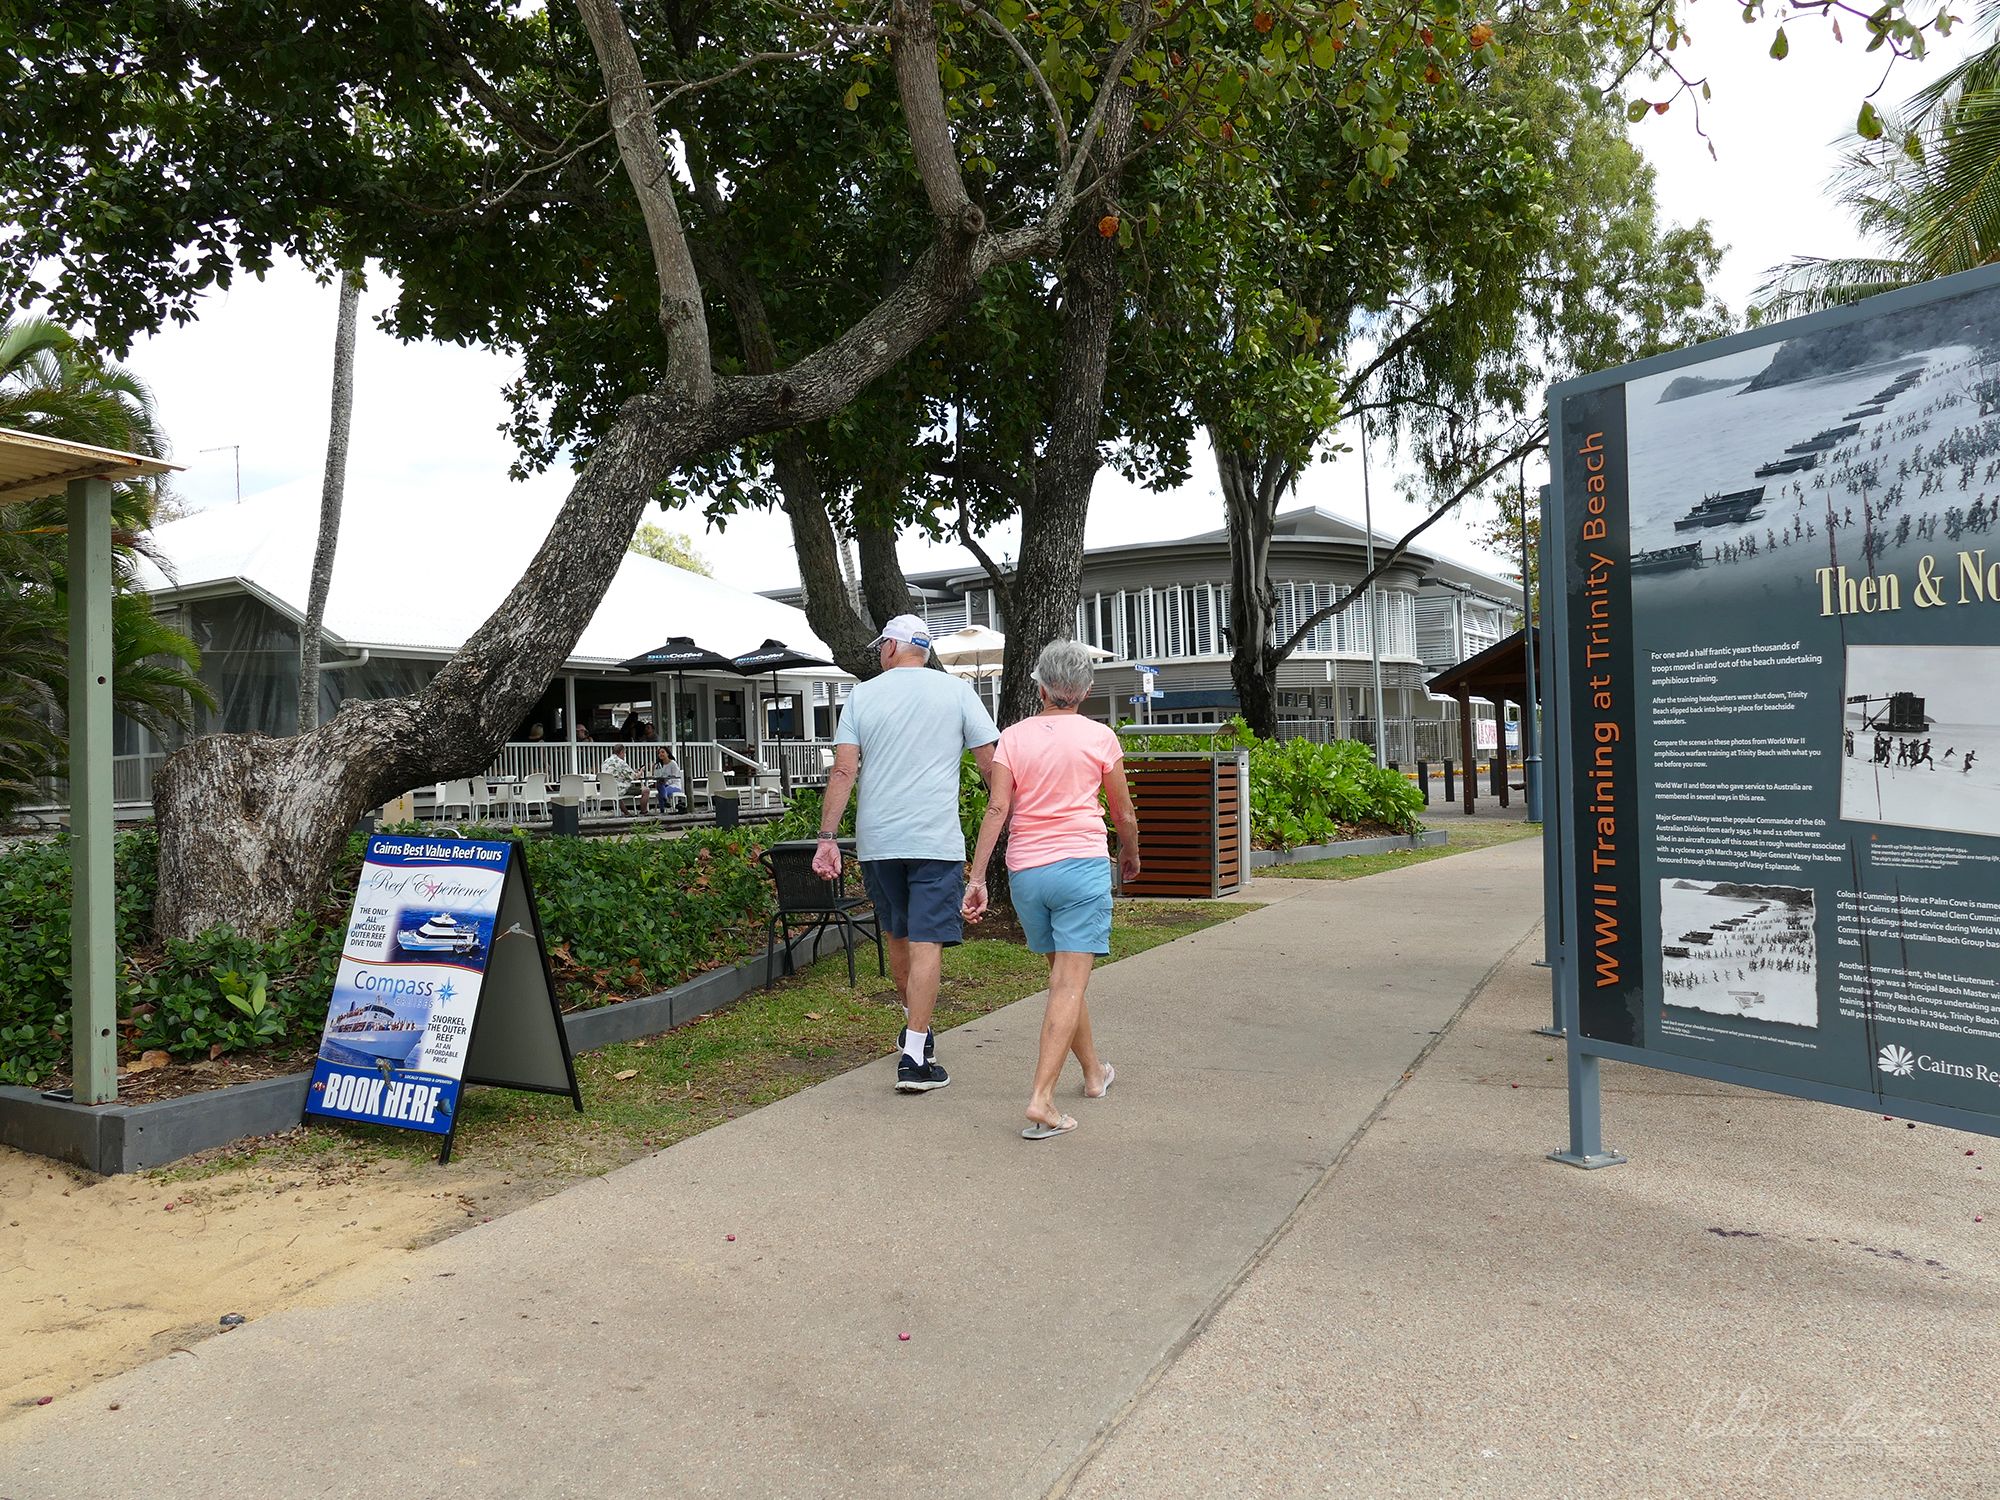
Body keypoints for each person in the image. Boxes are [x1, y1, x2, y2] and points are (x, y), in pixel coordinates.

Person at [963, 639, 1140, 1141]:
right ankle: (1041, 1099)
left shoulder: (1012, 739)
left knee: (1064, 977)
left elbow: (998, 810)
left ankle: (1092, 1075)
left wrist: (976, 878)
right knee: (1069, 982)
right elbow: (1123, 812)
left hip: (1028, 874)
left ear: (1039, 686)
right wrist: (1130, 852)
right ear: (1085, 690)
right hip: (1081, 867)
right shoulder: (1100, 737)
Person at [813, 614, 999, 1093]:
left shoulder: (863, 695)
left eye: (881, 647)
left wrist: (827, 838)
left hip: (879, 841)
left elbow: (843, 772)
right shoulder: (957, 693)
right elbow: (991, 762)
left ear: (893, 648)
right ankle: (915, 1056)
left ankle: (916, 1033)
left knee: (897, 933)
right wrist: (1006, 816)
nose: (879, 654)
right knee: (927, 941)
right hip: (935, 841)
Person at [651, 746, 685, 813]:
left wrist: (665, 782)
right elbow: (656, 776)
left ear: (667, 753)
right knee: (659, 785)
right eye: (659, 753)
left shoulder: (673, 763)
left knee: (660, 793)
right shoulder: (659, 765)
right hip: (663, 785)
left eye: (663, 752)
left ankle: (662, 810)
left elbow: (674, 777)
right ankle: (665, 800)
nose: (661, 754)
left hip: (674, 785)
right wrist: (653, 769)